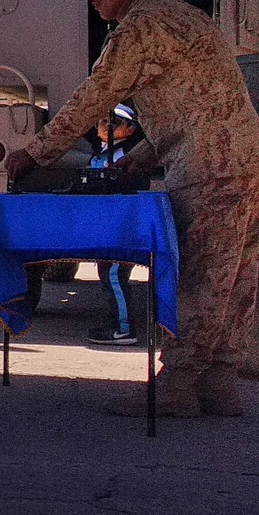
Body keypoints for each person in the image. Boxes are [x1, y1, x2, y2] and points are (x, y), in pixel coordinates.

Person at [5, 0, 259, 417]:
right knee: (234, 279)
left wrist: (37, 150)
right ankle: (218, 384)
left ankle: (178, 385)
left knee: (201, 277)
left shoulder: (139, 27)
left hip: (209, 167)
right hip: (243, 159)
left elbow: (95, 96)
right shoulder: (187, 17)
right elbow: (200, 103)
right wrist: (142, 155)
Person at [86, 103, 146, 346]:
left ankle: (124, 329)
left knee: (114, 275)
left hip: (122, 225)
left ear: (130, 130)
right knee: (107, 274)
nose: (107, 126)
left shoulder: (129, 156)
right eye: (103, 121)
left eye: (115, 123)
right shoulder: (98, 154)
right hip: (105, 226)